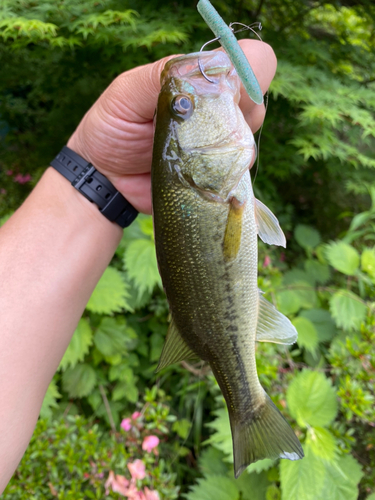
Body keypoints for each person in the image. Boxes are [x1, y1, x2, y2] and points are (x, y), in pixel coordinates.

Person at [0, 39, 277, 492]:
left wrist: (94, 168)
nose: (190, 95)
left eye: (180, 106)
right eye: (186, 106)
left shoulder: (211, 183)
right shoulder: (218, 188)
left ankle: (248, 408)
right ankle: (249, 408)